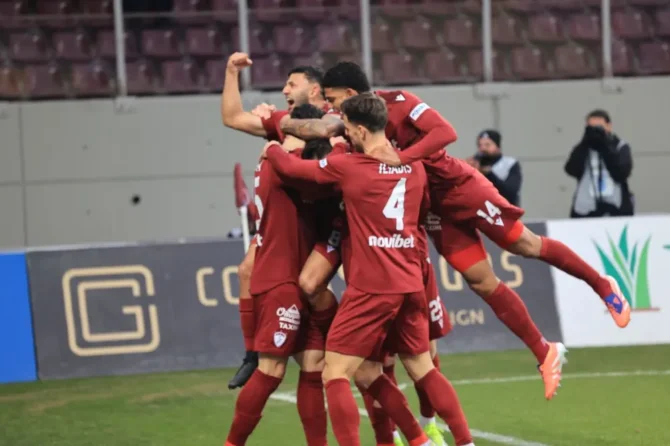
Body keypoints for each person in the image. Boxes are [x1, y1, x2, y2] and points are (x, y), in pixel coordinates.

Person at [279, 61, 631, 400]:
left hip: (460, 188)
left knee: (524, 244)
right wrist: (282, 124)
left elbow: (446, 132)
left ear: (350, 93)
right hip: (434, 207)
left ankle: (603, 286)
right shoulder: (350, 122)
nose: (330, 107)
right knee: (481, 281)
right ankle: (544, 351)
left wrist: (404, 157)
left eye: (333, 99)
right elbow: (320, 128)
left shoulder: (399, 102)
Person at [266, 93, 475, 446]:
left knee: (335, 373)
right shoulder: (414, 167)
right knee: (421, 367)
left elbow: (292, 170)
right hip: (410, 282)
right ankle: (464, 442)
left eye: (347, 128)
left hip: (373, 287)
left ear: (361, 130)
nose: (345, 134)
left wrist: (273, 147)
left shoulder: (351, 167)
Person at [221, 53, 333, 390]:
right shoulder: (287, 121)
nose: (284, 90)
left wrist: (276, 147)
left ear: (314, 90)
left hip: (334, 222)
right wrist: (231, 73)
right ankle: (251, 354)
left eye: (291, 84)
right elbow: (232, 117)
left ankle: (340, 333)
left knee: (311, 286)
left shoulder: (337, 121)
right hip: (290, 221)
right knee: (247, 270)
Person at [225, 132, 340, 446]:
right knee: (272, 370)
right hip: (282, 283)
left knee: (314, 366)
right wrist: (277, 143)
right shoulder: (283, 169)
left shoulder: (291, 170)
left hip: (307, 282)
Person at [565, 109, 634, 218]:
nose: (595, 131)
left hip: (616, 207)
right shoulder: (583, 148)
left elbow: (622, 173)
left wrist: (605, 147)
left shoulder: (620, 146)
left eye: (599, 127)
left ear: (609, 126)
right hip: (585, 208)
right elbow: (571, 169)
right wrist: (585, 143)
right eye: (591, 128)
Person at [466, 129, 522, 206]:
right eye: (480, 145)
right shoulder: (473, 164)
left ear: (498, 146)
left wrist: (488, 174)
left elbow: (510, 193)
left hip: (505, 211)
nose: (483, 149)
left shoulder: (510, 164)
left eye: (487, 145)